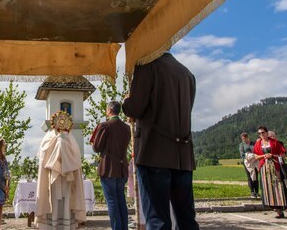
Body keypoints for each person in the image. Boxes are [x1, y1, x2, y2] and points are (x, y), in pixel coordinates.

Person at [123, 51, 199, 230]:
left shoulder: (146, 65)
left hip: (154, 153)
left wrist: (127, 102)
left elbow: (135, 108)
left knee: (158, 220)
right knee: (186, 219)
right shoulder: (187, 74)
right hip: (183, 157)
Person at [36, 111, 86, 229]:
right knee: (56, 201)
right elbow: (44, 158)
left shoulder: (67, 139)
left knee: (65, 202)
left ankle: (62, 226)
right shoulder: (55, 138)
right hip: (54, 177)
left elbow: (75, 159)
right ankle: (56, 226)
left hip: (66, 178)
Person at [92, 101, 131, 230]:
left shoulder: (104, 126)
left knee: (112, 202)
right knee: (121, 201)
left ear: (109, 110)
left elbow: (96, 147)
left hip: (108, 168)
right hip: (121, 168)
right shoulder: (126, 127)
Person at [253, 125, 287, 220]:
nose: (261, 134)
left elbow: (282, 155)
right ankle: (279, 211)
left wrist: (272, 155)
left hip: (276, 167)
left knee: (281, 188)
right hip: (264, 169)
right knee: (269, 190)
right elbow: (255, 156)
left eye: (263, 132)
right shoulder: (258, 144)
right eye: (259, 133)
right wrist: (264, 156)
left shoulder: (274, 142)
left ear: (266, 133)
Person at [239, 132, 259, 198]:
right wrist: (248, 156)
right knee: (249, 177)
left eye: (245, 138)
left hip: (255, 161)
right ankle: (252, 192)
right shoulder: (242, 145)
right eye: (243, 139)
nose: (244, 140)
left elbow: (257, 150)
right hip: (247, 162)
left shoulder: (254, 143)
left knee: (255, 176)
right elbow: (242, 153)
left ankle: (257, 192)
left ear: (247, 137)